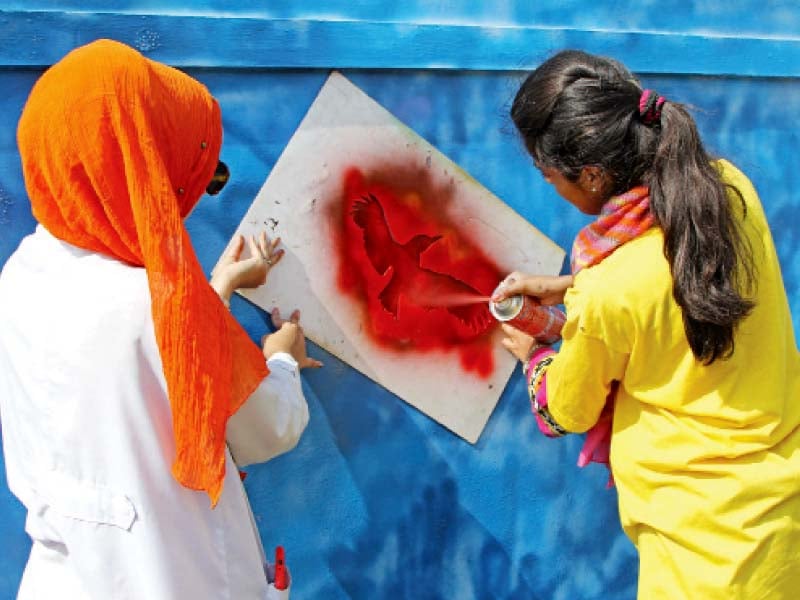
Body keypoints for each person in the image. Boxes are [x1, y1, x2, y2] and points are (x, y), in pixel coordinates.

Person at [0, 39, 320, 599]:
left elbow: (137, 371)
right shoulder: (162, 304)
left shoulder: (23, 275)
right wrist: (281, 359)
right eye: (190, 169)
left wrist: (212, 291)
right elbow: (265, 428)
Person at [496, 49, 800, 599]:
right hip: (784, 522)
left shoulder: (610, 291)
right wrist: (569, 287)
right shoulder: (729, 189)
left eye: (549, 178)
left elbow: (567, 408)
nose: (553, 189)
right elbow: (685, 278)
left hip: (698, 559)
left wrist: (534, 358)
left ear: (591, 174)